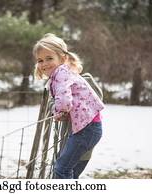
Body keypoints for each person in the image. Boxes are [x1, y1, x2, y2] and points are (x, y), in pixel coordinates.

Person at [33, 33, 104, 179]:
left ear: (62, 58)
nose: (44, 64)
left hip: (87, 129)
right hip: (89, 127)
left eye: (49, 58)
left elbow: (64, 100)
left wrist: (58, 111)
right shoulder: (63, 72)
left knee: (61, 169)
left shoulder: (61, 74)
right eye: (40, 60)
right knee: (69, 170)